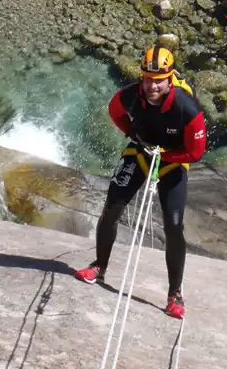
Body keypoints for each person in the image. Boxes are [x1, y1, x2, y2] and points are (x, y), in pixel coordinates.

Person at [74, 45, 206, 320]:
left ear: (170, 79)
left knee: (173, 225)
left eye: (159, 80)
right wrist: (133, 135)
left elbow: (196, 152)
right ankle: (99, 267)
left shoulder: (186, 107)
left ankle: (175, 294)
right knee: (112, 207)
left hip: (173, 161)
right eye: (148, 79)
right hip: (140, 152)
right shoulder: (130, 95)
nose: (152, 86)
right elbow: (114, 112)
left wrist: (166, 155)